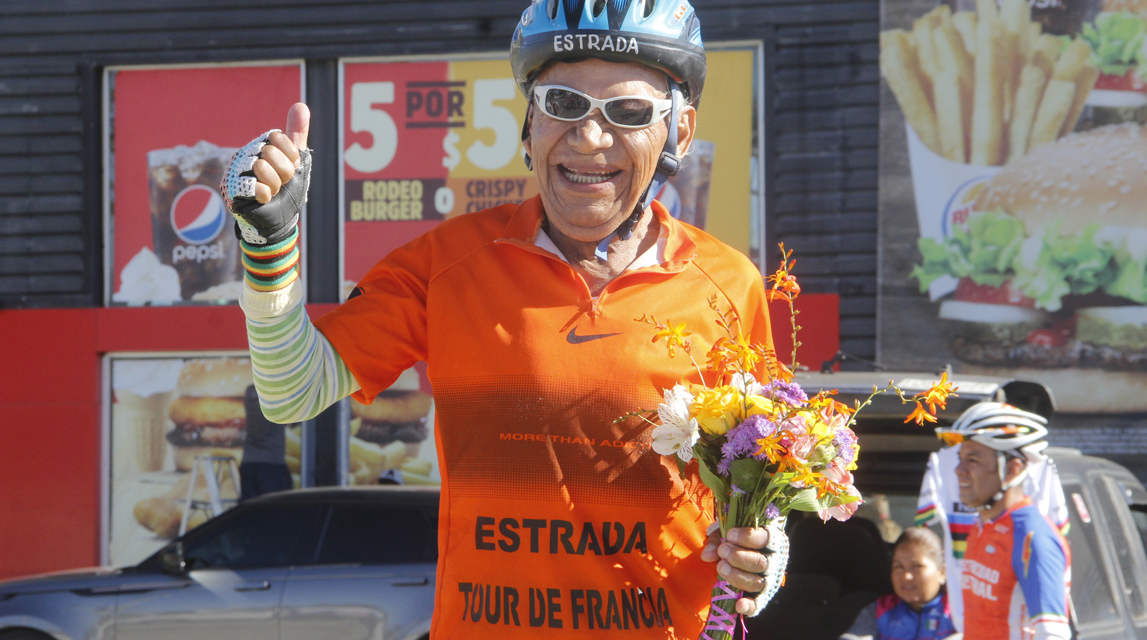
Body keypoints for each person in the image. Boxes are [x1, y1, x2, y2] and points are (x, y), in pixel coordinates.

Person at [219, 0, 783, 636]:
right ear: (530, 123)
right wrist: (269, 245)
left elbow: (755, 477)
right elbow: (291, 390)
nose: (590, 138)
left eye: (628, 114)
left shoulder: (729, 285)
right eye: (564, 103)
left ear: (679, 133)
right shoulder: (447, 263)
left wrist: (764, 557)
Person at [916, 406, 1069, 632]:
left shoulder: (1032, 537)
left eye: (973, 460)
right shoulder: (982, 527)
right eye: (959, 458)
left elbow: (1053, 634)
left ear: (1012, 470)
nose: (959, 470)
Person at [840, 527, 960, 640]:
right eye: (898, 567)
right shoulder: (879, 610)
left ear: (942, 572)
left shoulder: (959, 611)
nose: (906, 576)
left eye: (917, 566)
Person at [238, 384, 294, 500]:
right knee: (277, 507)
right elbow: (295, 422)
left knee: (250, 509)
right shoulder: (278, 396)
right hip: (272, 463)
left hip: (249, 461)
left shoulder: (250, 391)